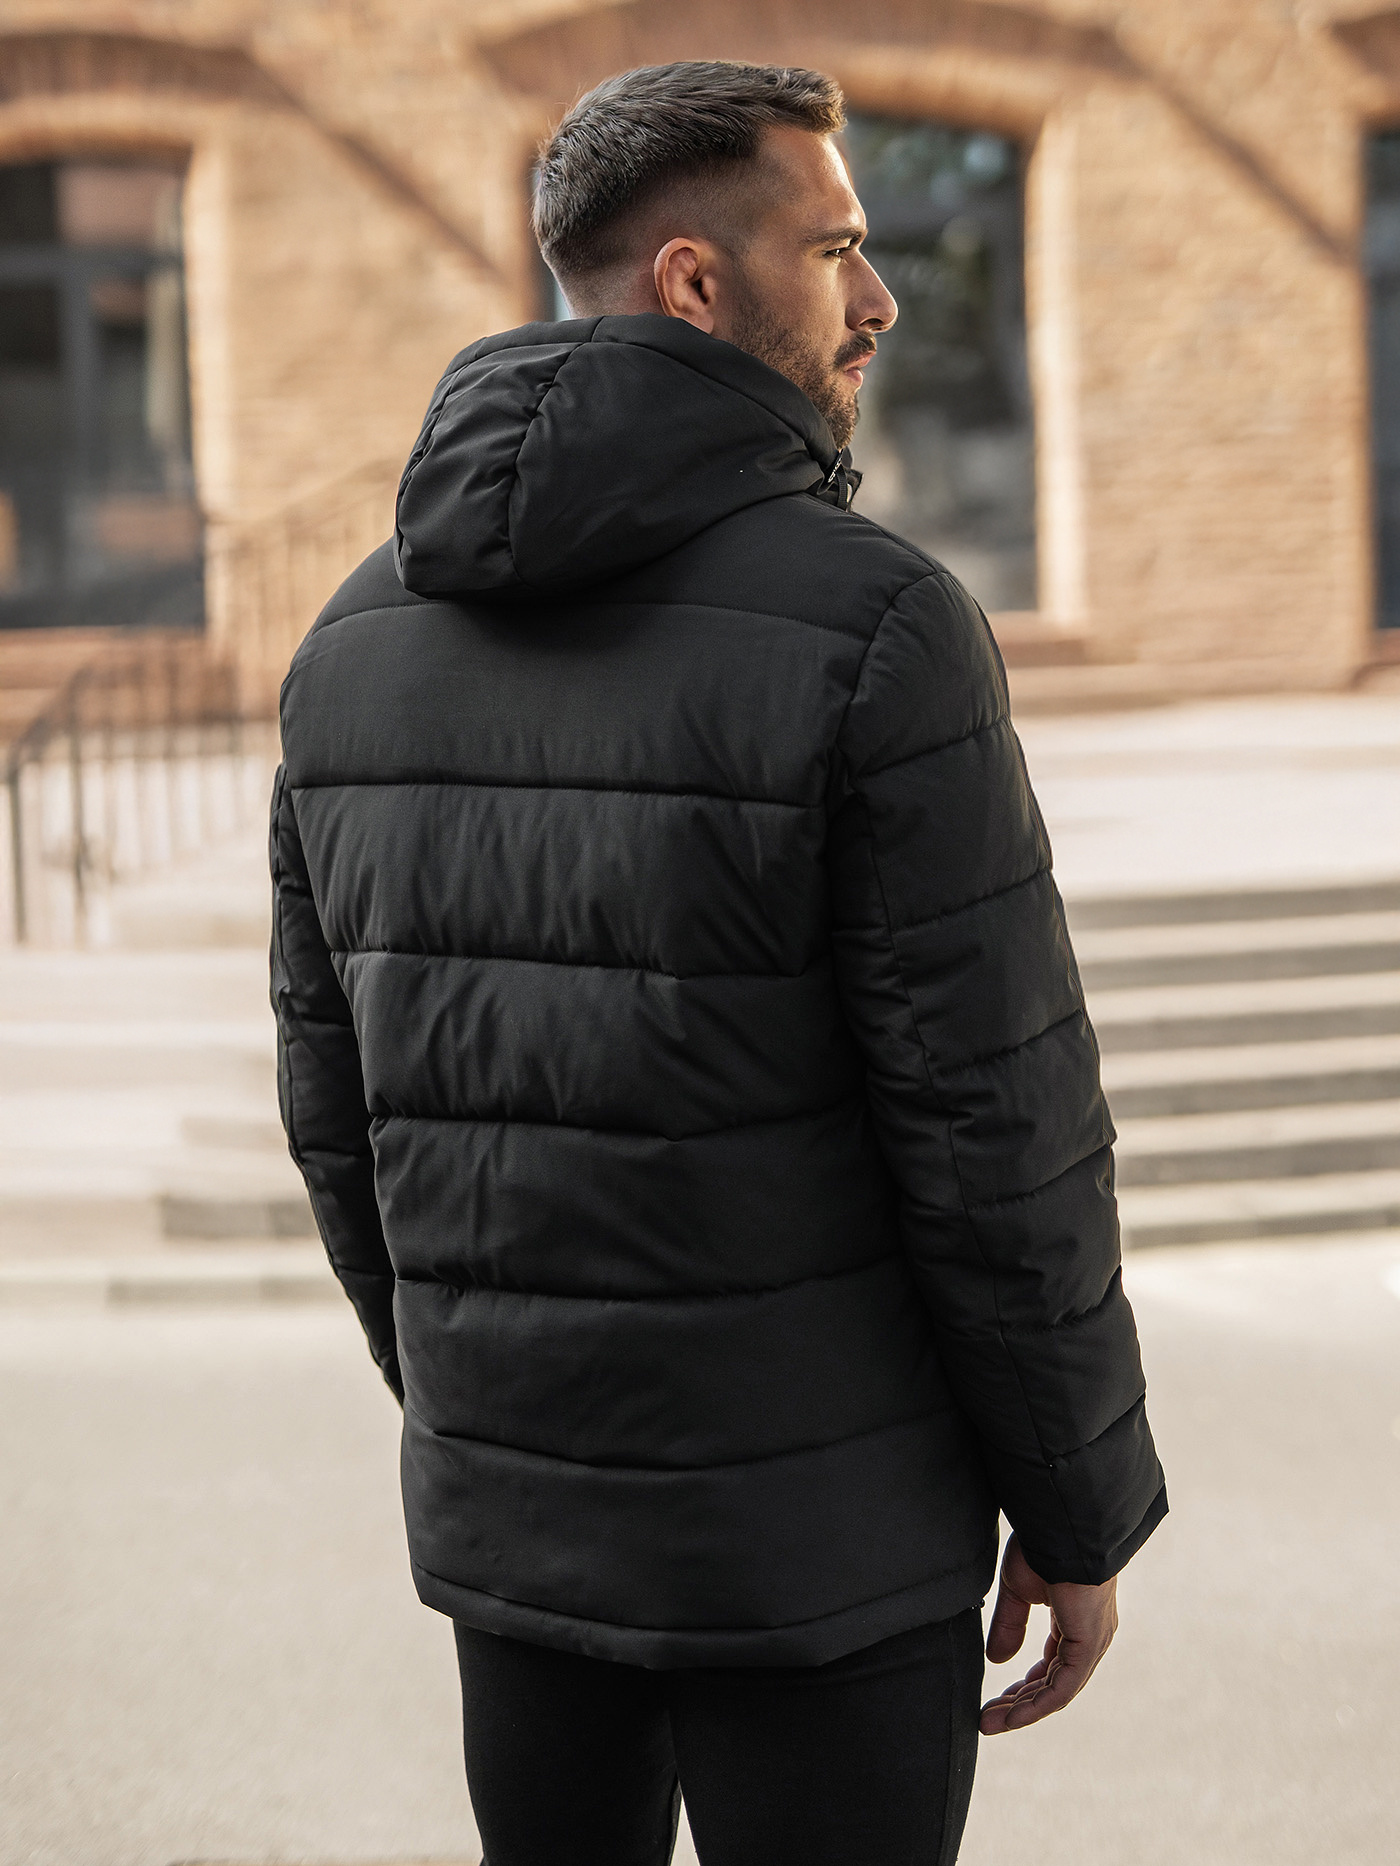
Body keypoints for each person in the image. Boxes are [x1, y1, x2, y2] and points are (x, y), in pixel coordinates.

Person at [271, 59, 1166, 1866]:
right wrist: (1080, 1505)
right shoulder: (882, 626)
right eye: (835, 249)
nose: (880, 298)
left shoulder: (350, 643)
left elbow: (336, 1118)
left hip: (525, 1547)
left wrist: (494, 1426)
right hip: (826, 1562)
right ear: (694, 278)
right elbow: (995, 1129)